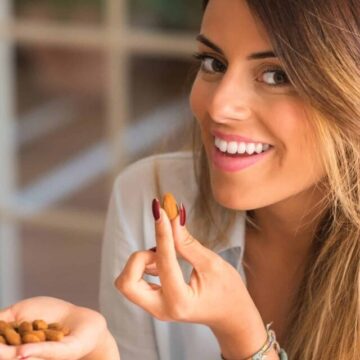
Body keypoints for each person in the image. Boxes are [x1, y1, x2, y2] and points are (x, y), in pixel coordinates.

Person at [1, 0, 358, 359]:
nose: (219, 106)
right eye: (214, 63)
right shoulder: (149, 195)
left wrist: (242, 335)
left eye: (277, 76)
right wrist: (101, 352)